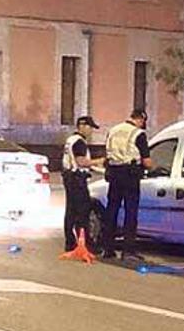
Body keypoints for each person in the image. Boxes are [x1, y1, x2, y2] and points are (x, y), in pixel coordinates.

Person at [102, 109, 152, 260]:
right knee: (131, 212)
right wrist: (151, 168)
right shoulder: (138, 134)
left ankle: (108, 249)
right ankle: (128, 251)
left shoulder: (113, 131)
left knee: (112, 210)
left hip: (114, 172)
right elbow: (147, 161)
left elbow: (107, 153)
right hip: (130, 174)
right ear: (141, 120)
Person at [62, 116, 104, 252]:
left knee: (71, 212)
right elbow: (81, 161)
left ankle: (70, 243)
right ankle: (85, 245)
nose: (91, 131)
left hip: (69, 177)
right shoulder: (79, 142)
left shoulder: (71, 140)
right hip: (77, 179)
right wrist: (100, 161)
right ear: (82, 126)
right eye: (90, 127)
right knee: (82, 213)